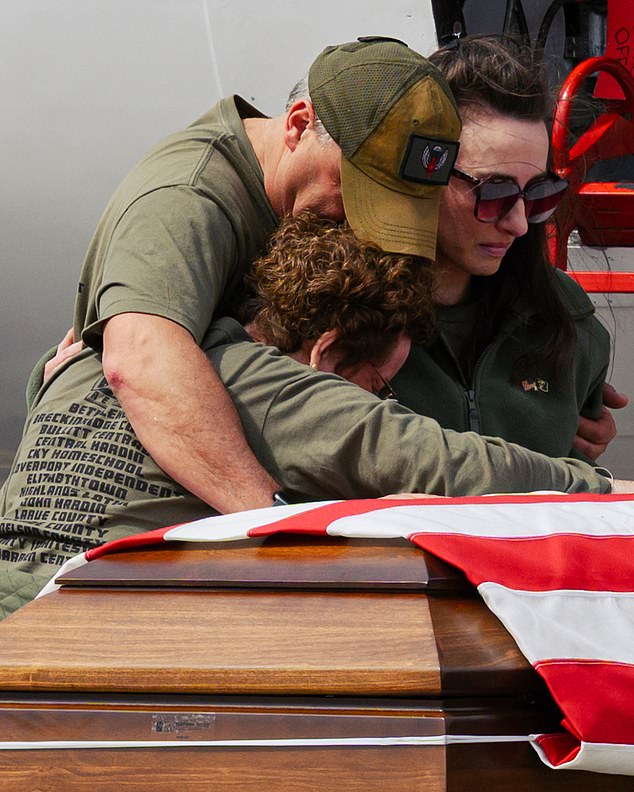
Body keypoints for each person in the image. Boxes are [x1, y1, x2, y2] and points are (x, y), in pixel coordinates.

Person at [2, 213, 628, 622]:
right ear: (325, 352)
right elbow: (445, 463)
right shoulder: (277, 389)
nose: (381, 404)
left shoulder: (85, 356)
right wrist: (603, 491)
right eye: (378, 387)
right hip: (73, 635)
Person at [48, 37, 461, 517]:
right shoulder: (188, 198)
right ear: (299, 125)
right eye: (357, 192)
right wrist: (276, 521)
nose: (360, 225)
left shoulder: (294, 198)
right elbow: (141, 360)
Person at [389, 33, 628, 460]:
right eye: (494, 192)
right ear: (425, 172)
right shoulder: (342, 319)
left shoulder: (568, 324)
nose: (519, 223)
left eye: (539, 194)